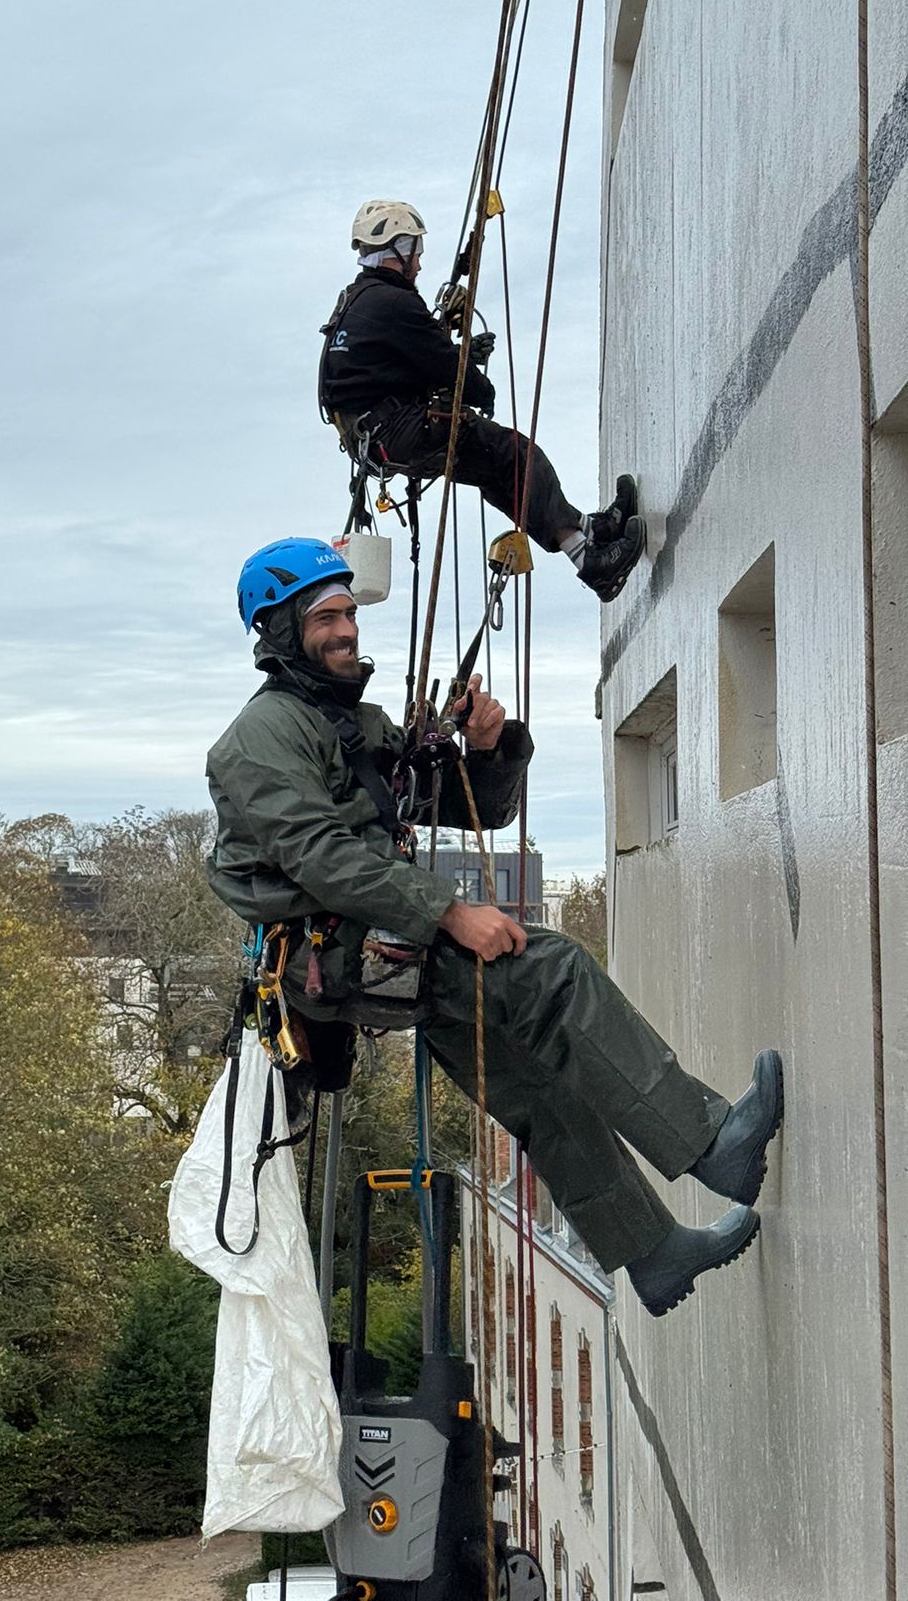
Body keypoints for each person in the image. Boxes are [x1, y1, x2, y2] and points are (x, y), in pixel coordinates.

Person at [206, 537, 785, 1316]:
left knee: (534, 1084)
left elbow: (470, 807)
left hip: (366, 941)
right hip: (340, 948)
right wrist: (450, 913)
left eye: (348, 612)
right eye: (324, 618)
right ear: (278, 630)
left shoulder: (350, 723)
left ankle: (652, 1254)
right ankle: (712, 1144)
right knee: (551, 971)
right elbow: (320, 855)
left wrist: (487, 747)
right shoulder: (262, 738)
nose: (345, 630)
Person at [318, 199, 646, 601]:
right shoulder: (394, 302)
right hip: (396, 431)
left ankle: (587, 533)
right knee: (517, 454)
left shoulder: (357, 299)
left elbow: (402, 363)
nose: (419, 262)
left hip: (378, 434)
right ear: (398, 250)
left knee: (496, 471)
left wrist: (462, 355)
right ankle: (591, 563)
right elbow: (443, 366)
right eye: (415, 251)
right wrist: (479, 386)